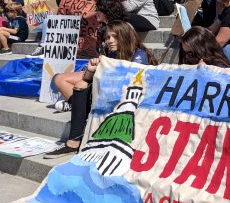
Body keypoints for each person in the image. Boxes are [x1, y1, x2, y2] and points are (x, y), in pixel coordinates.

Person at [45, 21, 156, 158]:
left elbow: (126, 85)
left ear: (125, 36)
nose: (110, 41)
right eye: (108, 37)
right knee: (81, 84)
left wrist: (102, 69)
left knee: (81, 86)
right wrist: (91, 71)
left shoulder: (139, 56)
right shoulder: (113, 53)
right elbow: (96, 79)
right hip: (110, 95)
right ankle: (74, 139)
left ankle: (75, 134)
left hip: (128, 102)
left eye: (114, 36)